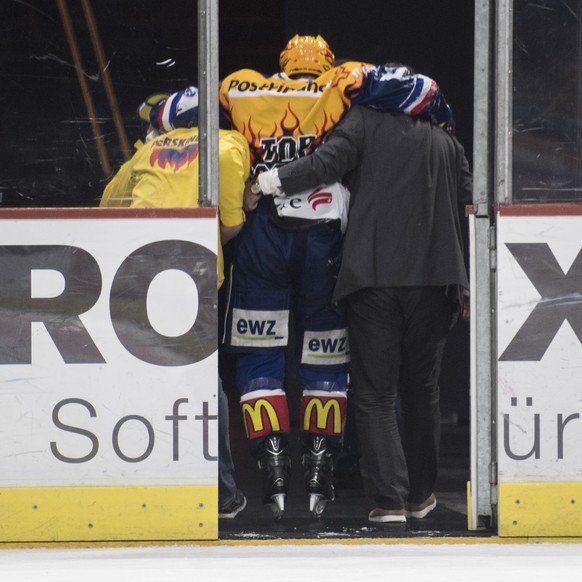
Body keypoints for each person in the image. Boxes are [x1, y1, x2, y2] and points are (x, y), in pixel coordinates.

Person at [149, 36, 455, 519]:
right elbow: (425, 92)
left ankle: (270, 466)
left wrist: (156, 119)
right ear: (327, 62)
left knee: (258, 355)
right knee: (326, 357)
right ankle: (319, 468)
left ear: (284, 63)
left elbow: (175, 112)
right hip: (324, 236)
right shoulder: (345, 81)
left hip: (262, 234)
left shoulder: (241, 85)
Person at [252, 92, 472, 524]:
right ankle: (421, 497)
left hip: (373, 279)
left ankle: (390, 502)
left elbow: (322, 166)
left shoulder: (364, 121)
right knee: (422, 391)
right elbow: (472, 194)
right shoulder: (444, 139)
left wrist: (268, 182)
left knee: (375, 394)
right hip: (436, 281)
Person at [101, 87, 249, 519]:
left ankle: (137, 476)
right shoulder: (229, 142)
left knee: (141, 375)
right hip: (192, 273)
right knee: (203, 381)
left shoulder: (149, 150)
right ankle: (221, 493)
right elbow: (232, 226)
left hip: (139, 270)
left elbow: (109, 203)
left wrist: (144, 151)